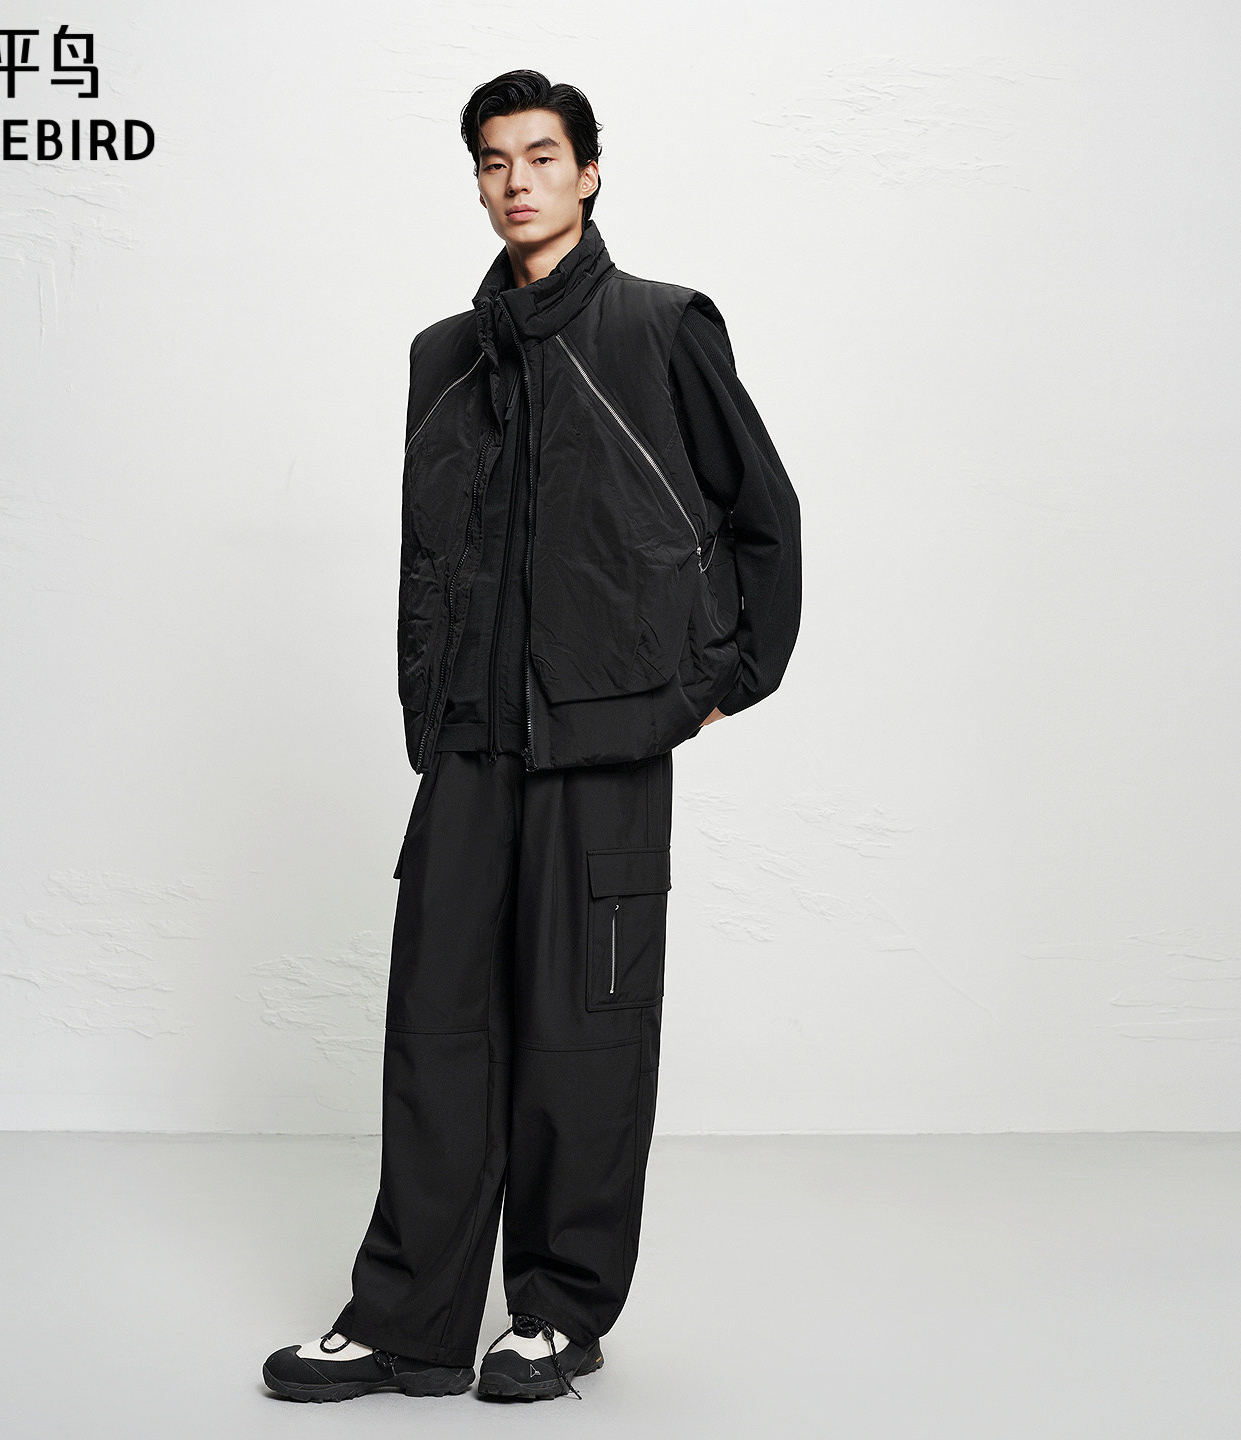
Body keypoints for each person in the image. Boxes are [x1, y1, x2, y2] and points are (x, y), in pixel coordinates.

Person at [263, 68, 802, 1404]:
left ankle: (558, 1313)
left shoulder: (662, 327)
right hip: (469, 744)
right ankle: (409, 1321)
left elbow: (762, 515)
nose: (518, 181)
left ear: (589, 173)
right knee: (435, 1029)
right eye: (495, 161)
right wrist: (428, 703)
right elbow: (427, 554)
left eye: (543, 156)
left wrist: (717, 683)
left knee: (583, 1036)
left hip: (601, 745)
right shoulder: (442, 357)